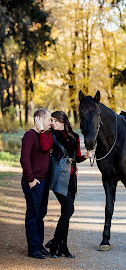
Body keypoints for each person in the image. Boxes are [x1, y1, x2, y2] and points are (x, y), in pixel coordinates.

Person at [39, 111, 92, 258]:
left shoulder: (74, 137)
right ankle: (55, 243)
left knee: (65, 214)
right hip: (58, 177)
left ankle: (64, 248)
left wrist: (85, 157)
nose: (53, 123)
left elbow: (76, 158)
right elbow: (44, 148)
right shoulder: (51, 135)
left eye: (56, 121)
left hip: (71, 178)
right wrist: (43, 131)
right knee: (69, 210)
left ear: (63, 121)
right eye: (52, 121)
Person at [20, 108, 52, 259]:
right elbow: (24, 159)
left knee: (41, 214)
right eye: (48, 119)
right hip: (34, 181)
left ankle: (39, 245)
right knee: (33, 215)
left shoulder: (42, 135)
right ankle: (33, 248)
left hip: (43, 181)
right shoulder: (29, 135)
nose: (50, 123)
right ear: (38, 119)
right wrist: (30, 179)